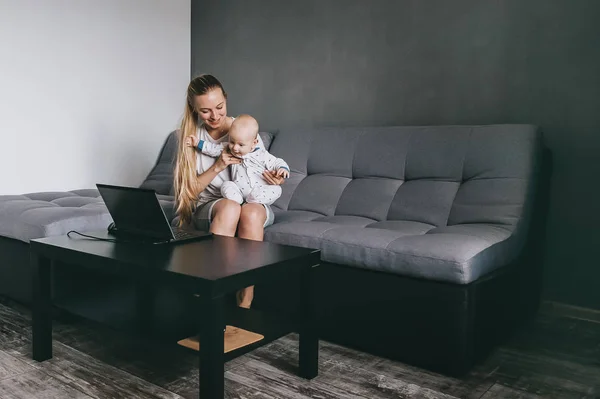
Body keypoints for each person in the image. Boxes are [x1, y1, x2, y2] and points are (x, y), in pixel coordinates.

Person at [173, 75, 284, 308]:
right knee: (230, 207)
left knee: (251, 212)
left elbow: (264, 165)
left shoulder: (243, 130)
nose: (214, 116)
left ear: (226, 99)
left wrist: (275, 179)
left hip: (251, 201)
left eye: (219, 107)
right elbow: (189, 193)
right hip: (212, 205)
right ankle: (212, 293)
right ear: (194, 108)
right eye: (205, 111)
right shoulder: (192, 138)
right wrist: (218, 166)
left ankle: (246, 296)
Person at [185, 114, 289, 206]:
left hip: (259, 190)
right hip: (238, 191)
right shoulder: (228, 150)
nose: (235, 148)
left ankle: (254, 200)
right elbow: (212, 148)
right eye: (232, 141)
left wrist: (282, 169)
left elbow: (277, 162)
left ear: (254, 143)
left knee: (277, 189)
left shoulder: (262, 155)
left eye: (241, 145)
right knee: (226, 185)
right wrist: (197, 143)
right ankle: (237, 201)